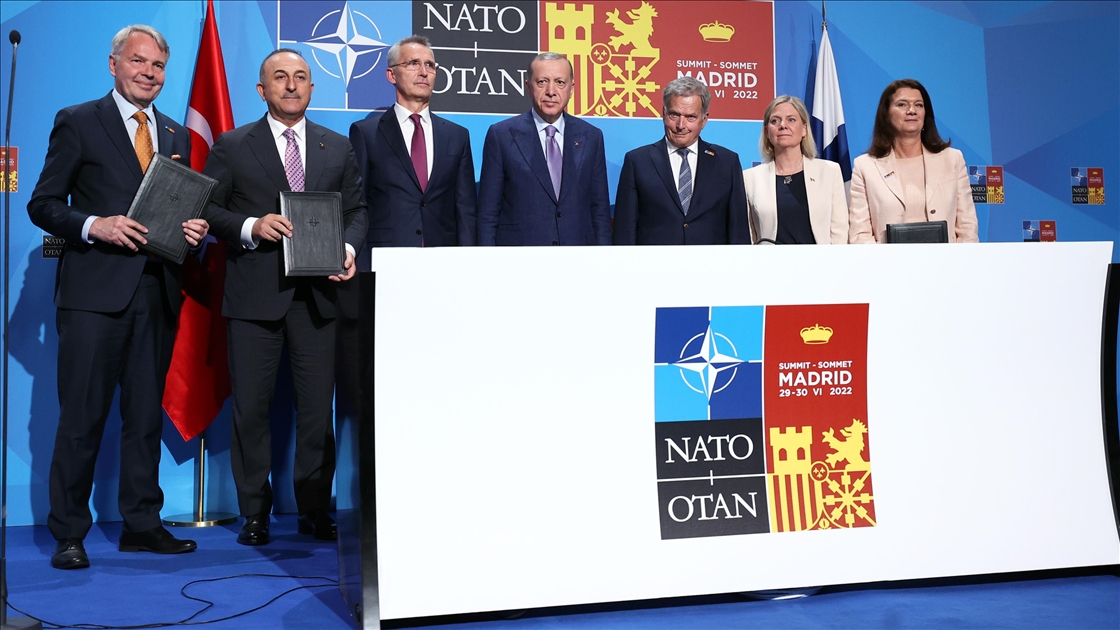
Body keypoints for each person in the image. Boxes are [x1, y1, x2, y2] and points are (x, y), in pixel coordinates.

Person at [27, 25, 204, 570]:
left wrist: (193, 229)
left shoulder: (174, 133)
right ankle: (69, 533)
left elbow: (173, 208)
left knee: (144, 419)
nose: (149, 73)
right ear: (113, 64)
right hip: (93, 298)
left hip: (157, 292)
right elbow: (42, 204)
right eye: (138, 61)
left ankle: (142, 525)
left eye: (158, 65)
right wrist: (93, 225)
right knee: (81, 418)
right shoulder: (79, 120)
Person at [203, 49, 368, 546]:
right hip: (255, 299)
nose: (291, 85)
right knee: (252, 410)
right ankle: (254, 512)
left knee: (317, 411)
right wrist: (252, 226)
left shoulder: (337, 146)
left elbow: (357, 211)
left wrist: (346, 248)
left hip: (319, 298)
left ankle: (314, 509)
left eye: (300, 77)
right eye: (280, 77)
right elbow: (207, 209)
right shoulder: (233, 145)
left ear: (312, 88)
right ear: (262, 90)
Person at [349, 35, 475, 249]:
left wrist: (468, 258)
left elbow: (466, 210)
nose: (423, 72)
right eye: (413, 63)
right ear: (391, 75)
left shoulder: (457, 136)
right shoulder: (366, 133)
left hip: (444, 256)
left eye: (430, 65)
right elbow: (357, 206)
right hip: (388, 256)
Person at [477, 52, 610, 246]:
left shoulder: (592, 137)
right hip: (520, 254)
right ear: (528, 87)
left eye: (560, 82)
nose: (551, 91)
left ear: (571, 89)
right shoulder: (501, 135)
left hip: (578, 254)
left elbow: (600, 212)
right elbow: (488, 212)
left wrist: (604, 257)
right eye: (542, 82)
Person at [613, 77, 748, 245]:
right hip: (654, 261)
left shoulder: (727, 162)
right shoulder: (637, 161)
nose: (681, 125)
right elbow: (624, 231)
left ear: (704, 120)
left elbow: (739, 230)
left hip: (711, 261)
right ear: (663, 113)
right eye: (674, 115)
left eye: (690, 117)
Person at [848, 79, 978, 243]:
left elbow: (967, 227)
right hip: (888, 259)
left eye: (919, 105)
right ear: (886, 115)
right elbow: (860, 234)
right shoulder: (865, 166)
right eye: (902, 104)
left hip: (946, 258)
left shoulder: (952, 159)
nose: (912, 111)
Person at [743, 96, 848, 244]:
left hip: (819, 259)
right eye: (775, 121)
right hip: (769, 259)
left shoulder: (829, 171)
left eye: (791, 120)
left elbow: (839, 233)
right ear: (767, 132)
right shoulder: (749, 178)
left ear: (804, 129)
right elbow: (749, 236)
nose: (783, 125)